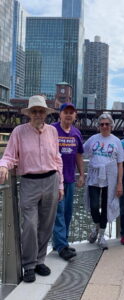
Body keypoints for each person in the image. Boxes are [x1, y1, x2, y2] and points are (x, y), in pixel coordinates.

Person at [0, 95, 64, 283]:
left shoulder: (52, 132)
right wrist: (3, 165)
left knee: (46, 225)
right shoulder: (19, 132)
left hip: (51, 180)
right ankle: (28, 265)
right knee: (29, 225)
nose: (38, 114)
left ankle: (39, 261)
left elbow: (57, 159)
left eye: (41, 111)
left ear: (45, 113)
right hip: (29, 182)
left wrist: (60, 185)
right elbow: (10, 155)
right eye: (34, 111)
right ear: (29, 114)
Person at [83, 113, 124, 250]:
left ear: (111, 126)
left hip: (110, 177)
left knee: (106, 206)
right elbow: (80, 152)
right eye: (102, 124)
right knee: (94, 205)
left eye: (107, 124)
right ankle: (97, 226)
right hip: (94, 176)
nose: (105, 126)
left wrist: (120, 183)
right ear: (99, 126)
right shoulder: (93, 139)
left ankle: (101, 235)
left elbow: (120, 164)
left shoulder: (116, 141)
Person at [52, 103, 84, 261]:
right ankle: (61, 246)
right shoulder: (51, 130)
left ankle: (60, 242)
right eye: (66, 112)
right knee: (58, 212)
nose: (69, 115)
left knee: (67, 212)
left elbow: (79, 155)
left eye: (72, 112)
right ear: (60, 114)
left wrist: (82, 174)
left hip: (70, 179)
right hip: (54, 179)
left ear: (75, 115)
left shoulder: (76, 133)